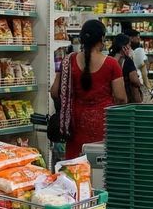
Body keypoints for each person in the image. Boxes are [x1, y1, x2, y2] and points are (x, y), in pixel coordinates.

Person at [57, 20, 126, 159]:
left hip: (76, 123)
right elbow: (121, 97)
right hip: (103, 124)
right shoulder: (111, 64)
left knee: (75, 166)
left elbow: (54, 91)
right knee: (100, 165)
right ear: (102, 38)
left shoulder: (69, 61)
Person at [110, 33, 143, 103]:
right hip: (125, 97)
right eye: (129, 45)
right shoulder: (128, 61)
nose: (130, 48)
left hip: (111, 97)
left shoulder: (108, 58)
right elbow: (134, 80)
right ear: (124, 47)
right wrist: (139, 83)